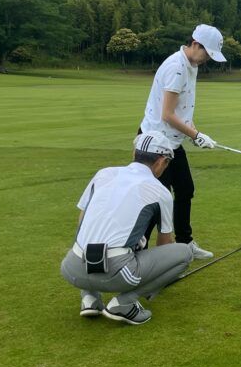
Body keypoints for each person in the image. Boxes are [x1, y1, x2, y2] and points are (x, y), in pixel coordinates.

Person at [60, 132, 195, 325]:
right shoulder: (159, 190)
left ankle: (89, 298)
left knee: (97, 238)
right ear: (162, 161)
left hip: (72, 269)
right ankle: (124, 303)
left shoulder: (103, 173)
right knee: (184, 253)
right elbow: (165, 243)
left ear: (134, 153)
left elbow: (82, 220)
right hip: (117, 273)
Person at [138, 23, 227, 259]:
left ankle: (185, 244)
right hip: (155, 144)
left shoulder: (191, 64)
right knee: (158, 200)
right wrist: (195, 135)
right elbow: (166, 114)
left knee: (185, 189)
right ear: (195, 44)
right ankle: (138, 251)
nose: (207, 58)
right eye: (207, 52)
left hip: (172, 143)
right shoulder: (176, 68)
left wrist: (194, 131)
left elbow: (183, 109)